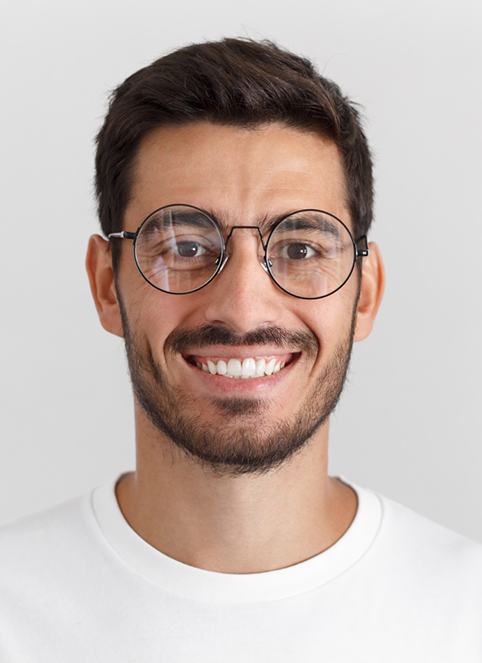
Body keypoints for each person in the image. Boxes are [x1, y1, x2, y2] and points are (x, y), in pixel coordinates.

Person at [0, 37, 481, 662]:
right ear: (106, 286)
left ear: (365, 294)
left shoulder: (466, 614)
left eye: (301, 248)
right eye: (185, 245)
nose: (244, 308)